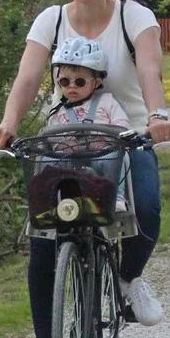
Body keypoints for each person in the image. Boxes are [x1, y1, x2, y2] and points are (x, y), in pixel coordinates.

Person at [0, 0, 170, 338]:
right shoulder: (51, 21)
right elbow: (28, 76)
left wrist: (157, 116)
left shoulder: (134, 16)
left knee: (147, 206)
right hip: (67, 145)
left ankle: (129, 280)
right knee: (44, 234)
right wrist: (8, 124)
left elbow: (150, 68)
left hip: (127, 137)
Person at [44, 36, 132, 210]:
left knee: (117, 157)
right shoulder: (57, 110)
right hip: (68, 158)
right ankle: (48, 200)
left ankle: (116, 197)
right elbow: (50, 138)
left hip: (102, 155)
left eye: (80, 81)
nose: (71, 87)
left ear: (96, 83)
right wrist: (61, 145)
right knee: (46, 160)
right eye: (64, 81)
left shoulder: (107, 102)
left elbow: (122, 127)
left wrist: (109, 138)